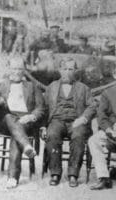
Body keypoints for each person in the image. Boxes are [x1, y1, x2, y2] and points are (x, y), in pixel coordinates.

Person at [0, 56, 45, 188]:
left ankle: (13, 177)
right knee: (9, 118)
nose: (17, 72)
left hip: (26, 121)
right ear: (9, 69)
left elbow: (40, 108)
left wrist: (31, 117)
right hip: (4, 122)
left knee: (16, 135)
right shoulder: (0, 85)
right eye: (14, 68)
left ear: (24, 70)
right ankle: (26, 145)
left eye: (20, 69)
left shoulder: (32, 86)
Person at [41, 57, 96, 187]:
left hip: (76, 121)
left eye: (71, 69)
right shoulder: (51, 87)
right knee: (52, 134)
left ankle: (73, 174)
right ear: (60, 70)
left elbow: (92, 106)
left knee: (78, 136)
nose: (67, 72)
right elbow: (44, 108)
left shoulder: (83, 88)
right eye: (64, 69)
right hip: (57, 120)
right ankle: (55, 173)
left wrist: (83, 118)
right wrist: (43, 126)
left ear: (76, 71)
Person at [88, 84, 116, 190]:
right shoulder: (108, 93)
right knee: (93, 140)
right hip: (111, 131)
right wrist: (109, 129)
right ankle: (104, 178)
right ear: (115, 74)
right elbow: (101, 115)